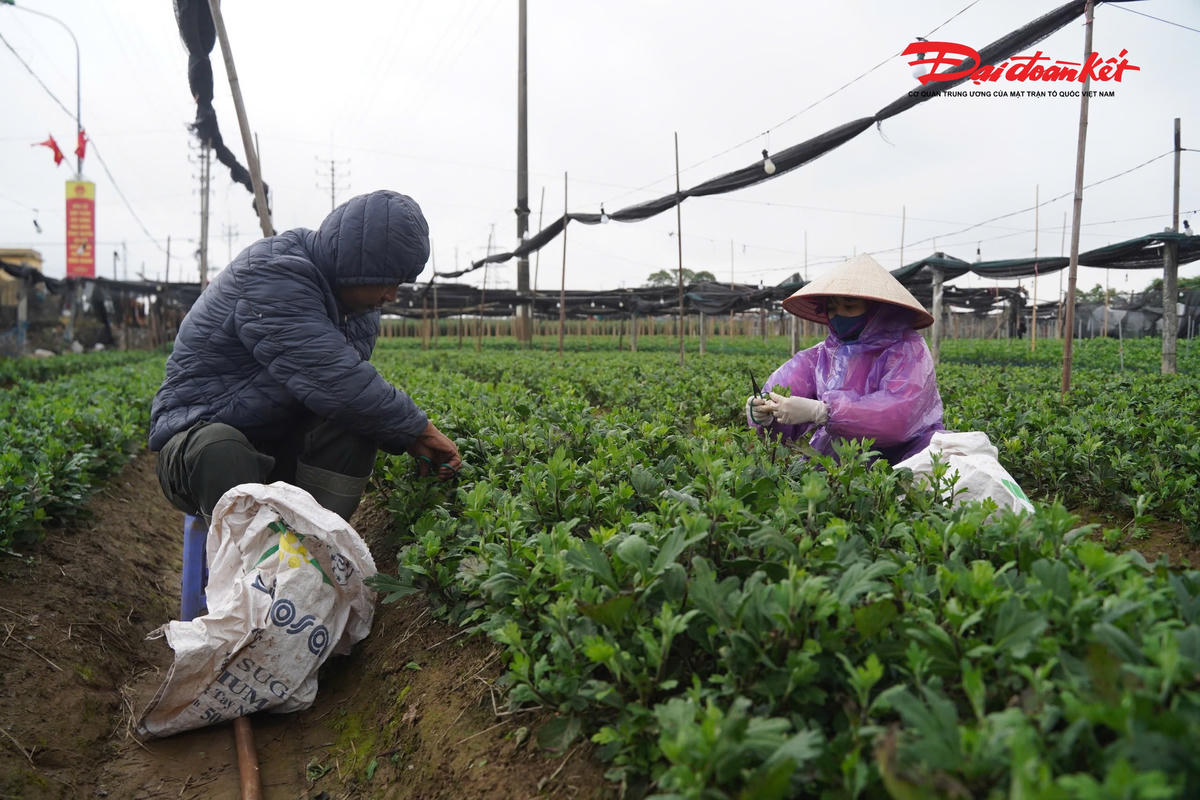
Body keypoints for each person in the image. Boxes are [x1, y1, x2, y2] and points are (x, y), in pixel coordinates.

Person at [149, 190, 461, 523]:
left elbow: (346, 401)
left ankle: (313, 542)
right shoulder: (273, 272)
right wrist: (418, 430)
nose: (392, 295)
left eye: (399, 283)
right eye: (387, 280)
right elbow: (335, 380)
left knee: (356, 426)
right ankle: (251, 552)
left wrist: (406, 433)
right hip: (196, 448)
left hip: (278, 443)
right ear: (356, 264)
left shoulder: (360, 310)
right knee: (222, 448)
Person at [746, 254, 944, 464]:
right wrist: (764, 412)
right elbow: (786, 389)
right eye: (832, 308)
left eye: (849, 307)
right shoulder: (822, 355)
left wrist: (825, 412)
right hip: (842, 459)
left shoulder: (908, 349)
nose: (838, 315)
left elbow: (900, 416)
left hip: (906, 457)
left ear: (876, 309)